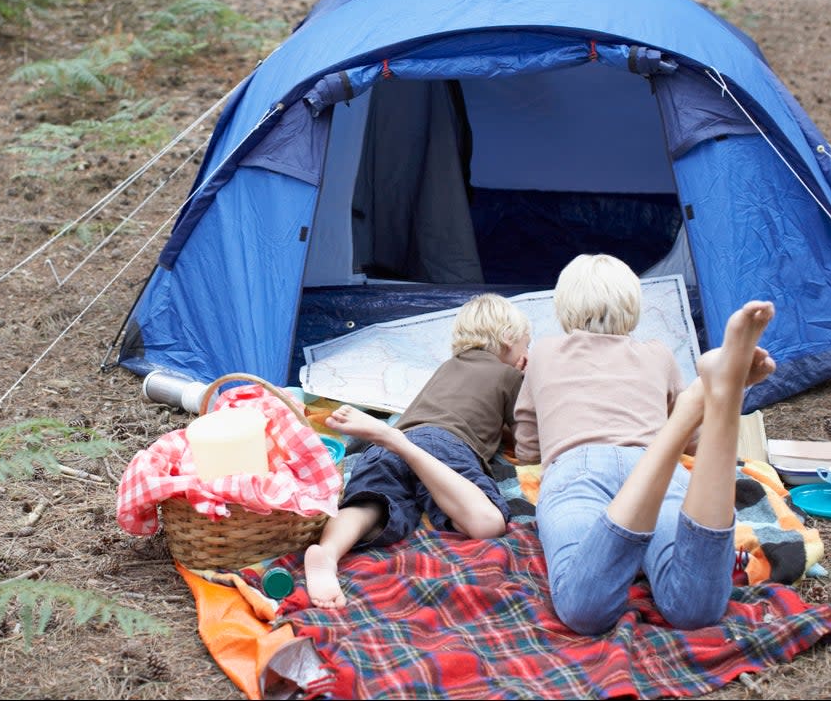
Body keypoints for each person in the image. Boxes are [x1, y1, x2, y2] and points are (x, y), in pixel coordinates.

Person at [513, 253, 776, 635]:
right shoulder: (658, 353)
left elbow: (526, 445)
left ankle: (701, 403)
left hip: (577, 469)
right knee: (695, 611)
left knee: (583, 609)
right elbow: (697, 446)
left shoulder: (543, 354)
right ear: (633, 306)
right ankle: (712, 402)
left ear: (563, 306)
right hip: (655, 465)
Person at [304, 293, 532, 609]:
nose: (526, 351)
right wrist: (527, 380)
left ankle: (327, 554)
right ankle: (401, 445)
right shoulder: (509, 375)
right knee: (488, 524)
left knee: (371, 504)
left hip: (394, 441)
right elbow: (526, 440)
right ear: (509, 340)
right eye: (526, 344)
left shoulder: (448, 367)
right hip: (445, 445)